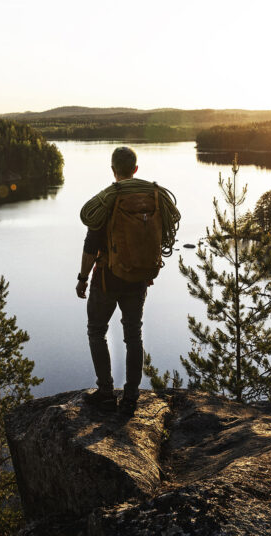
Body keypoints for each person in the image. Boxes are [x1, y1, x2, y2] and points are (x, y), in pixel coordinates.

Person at [75, 146, 178, 416]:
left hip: (107, 278)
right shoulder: (155, 198)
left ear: (113, 170)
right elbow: (164, 233)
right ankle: (131, 397)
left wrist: (82, 279)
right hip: (138, 279)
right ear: (135, 169)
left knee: (97, 331)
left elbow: (90, 245)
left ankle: (106, 393)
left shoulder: (108, 201)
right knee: (134, 335)